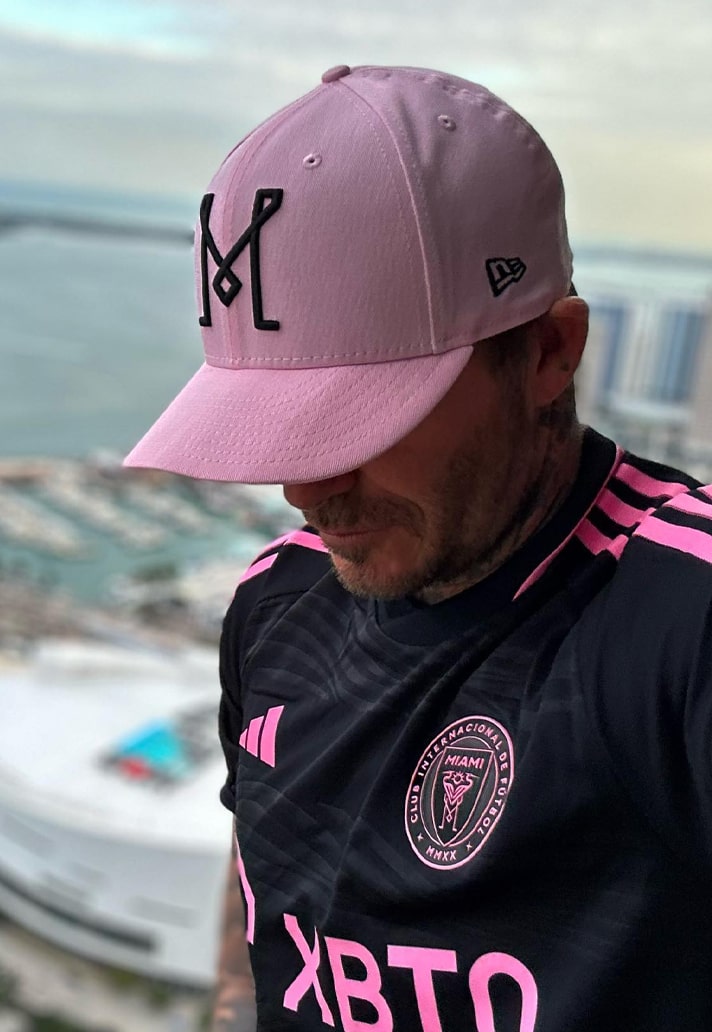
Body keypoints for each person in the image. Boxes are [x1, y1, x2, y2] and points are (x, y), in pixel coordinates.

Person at [125, 65, 712, 1032]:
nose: (306, 490)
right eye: (280, 429)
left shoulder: (677, 623)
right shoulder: (277, 599)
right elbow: (267, 870)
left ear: (549, 352)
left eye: (362, 420)